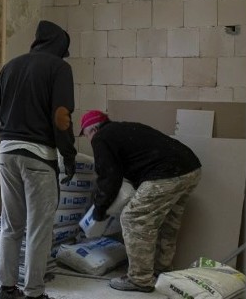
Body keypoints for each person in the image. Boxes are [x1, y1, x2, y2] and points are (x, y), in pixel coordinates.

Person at [0, 20, 77, 299]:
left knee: (11, 224)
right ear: (60, 45)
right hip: (38, 158)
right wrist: (68, 155)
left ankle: (7, 288)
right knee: (38, 228)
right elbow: (61, 117)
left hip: (7, 155)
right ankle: (35, 292)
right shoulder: (59, 68)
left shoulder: (10, 66)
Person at [78, 110, 202, 293]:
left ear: (94, 129)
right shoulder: (122, 129)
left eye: (86, 134)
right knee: (167, 222)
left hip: (166, 173)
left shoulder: (101, 137)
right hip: (191, 168)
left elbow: (109, 178)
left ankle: (139, 279)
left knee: (133, 218)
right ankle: (162, 269)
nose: (88, 139)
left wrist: (99, 209)